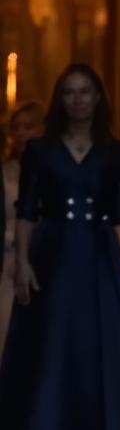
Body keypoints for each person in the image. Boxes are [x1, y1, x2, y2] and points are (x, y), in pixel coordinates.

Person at [0, 63, 120, 430]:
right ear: (59, 99)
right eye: (69, 92)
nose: (77, 99)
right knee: (50, 347)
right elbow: (27, 211)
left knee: (94, 350)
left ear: (98, 97)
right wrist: (21, 263)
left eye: (85, 91)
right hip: (52, 255)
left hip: (98, 258)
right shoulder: (40, 150)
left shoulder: (116, 152)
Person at [0, 100, 44, 353]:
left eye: (28, 126)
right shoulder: (3, 172)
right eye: (16, 127)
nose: (20, 133)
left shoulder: (54, 169)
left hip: (45, 259)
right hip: (8, 263)